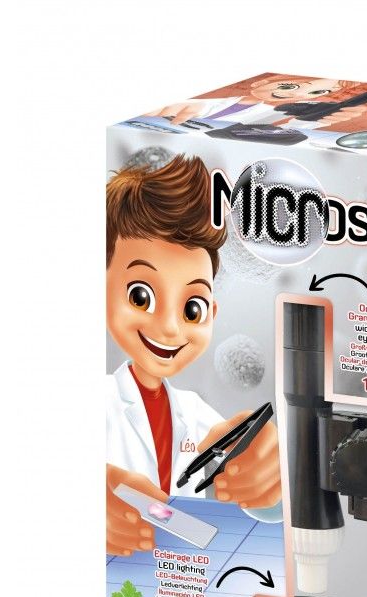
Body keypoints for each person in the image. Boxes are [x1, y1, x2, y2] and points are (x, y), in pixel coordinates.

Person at [106, 154, 280, 557]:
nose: (170, 328)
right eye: (141, 296)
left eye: (192, 308)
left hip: (179, 582)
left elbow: (258, 512)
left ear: (212, 313)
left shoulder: (198, 415)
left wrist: (270, 481)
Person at [145, 74, 367, 129]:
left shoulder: (278, 116)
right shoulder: (201, 104)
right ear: (264, 80)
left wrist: (311, 123)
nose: (296, 95)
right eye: (290, 86)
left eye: (315, 93)